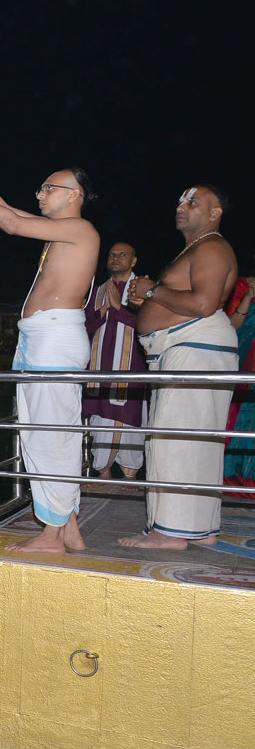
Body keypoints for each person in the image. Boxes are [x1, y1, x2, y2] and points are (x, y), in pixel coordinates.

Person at [0, 159, 99, 554]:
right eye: (41, 187)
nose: (40, 193)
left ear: (75, 195)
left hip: (54, 341)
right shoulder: (60, 234)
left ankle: (52, 534)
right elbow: (10, 213)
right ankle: (69, 524)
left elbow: (10, 224)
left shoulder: (80, 229)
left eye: (50, 187)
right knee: (47, 431)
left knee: (48, 436)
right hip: (41, 339)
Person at [121, 184, 238, 549]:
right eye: (180, 201)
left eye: (193, 201)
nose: (182, 206)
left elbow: (203, 303)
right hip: (184, 348)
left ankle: (169, 533)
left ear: (215, 212)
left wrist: (153, 290)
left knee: (174, 441)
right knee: (192, 441)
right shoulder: (197, 248)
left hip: (195, 347)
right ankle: (200, 528)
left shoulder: (213, 246)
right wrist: (145, 300)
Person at [83, 242, 148, 482]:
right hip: (100, 368)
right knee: (101, 419)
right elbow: (86, 327)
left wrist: (118, 308)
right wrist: (102, 313)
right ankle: (104, 471)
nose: (116, 258)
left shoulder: (141, 289)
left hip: (130, 368)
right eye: (112, 254)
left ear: (133, 261)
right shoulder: (97, 290)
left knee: (130, 418)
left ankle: (130, 474)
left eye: (123, 255)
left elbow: (147, 323)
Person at [223, 269, 255, 488]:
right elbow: (230, 326)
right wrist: (248, 298)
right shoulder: (244, 285)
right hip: (247, 368)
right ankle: (239, 478)